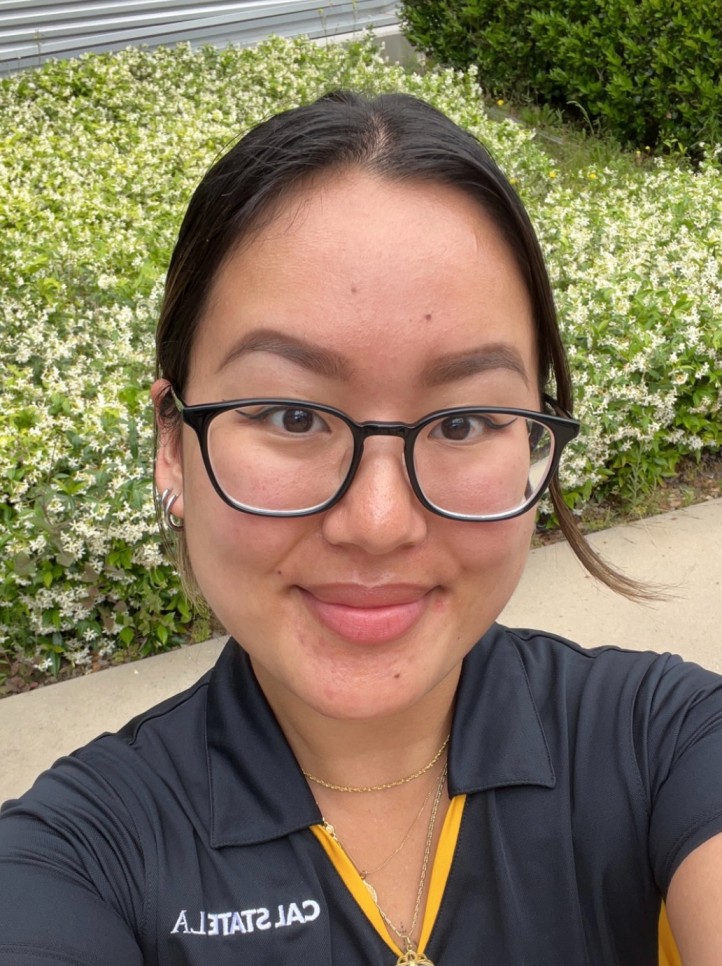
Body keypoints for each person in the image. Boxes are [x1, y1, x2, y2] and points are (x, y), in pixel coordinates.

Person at [0, 91, 720, 966]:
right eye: (292, 416)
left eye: (462, 423)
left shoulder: (667, 741)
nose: (379, 523)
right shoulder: (71, 864)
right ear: (172, 447)